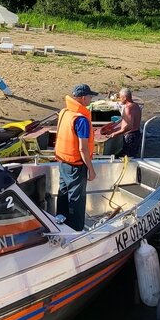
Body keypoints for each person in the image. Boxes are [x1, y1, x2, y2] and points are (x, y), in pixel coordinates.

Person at [54, 84, 98, 230]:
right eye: (90, 97)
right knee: (76, 199)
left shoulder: (64, 112)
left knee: (63, 192)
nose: (91, 100)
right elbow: (83, 148)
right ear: (84, 98)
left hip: (62, 162)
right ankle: (76, 230)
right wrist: (91, 169)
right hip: (76, 166)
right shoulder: (81, 120)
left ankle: (60, 222)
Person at [102, 87, 143, 158]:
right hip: (137, 133)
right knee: (133, 156)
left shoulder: (128, 108)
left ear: (125, 98)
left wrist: (115, 133)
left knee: (127, 158)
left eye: (120, 97)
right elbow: (130, 120)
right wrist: (116, 124)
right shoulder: (136, 105)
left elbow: (129, 126)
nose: (119, 99)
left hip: (130, 136)